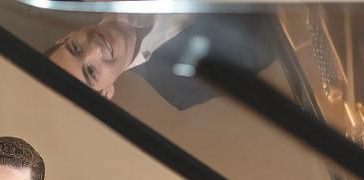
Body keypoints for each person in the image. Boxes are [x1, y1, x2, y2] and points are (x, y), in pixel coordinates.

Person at [48, 13, 276, 110]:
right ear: (106, 94)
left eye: (74, 48)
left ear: (66, 37)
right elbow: (266, 46)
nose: (94, 49)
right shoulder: (183, 88)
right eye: (91, 72)